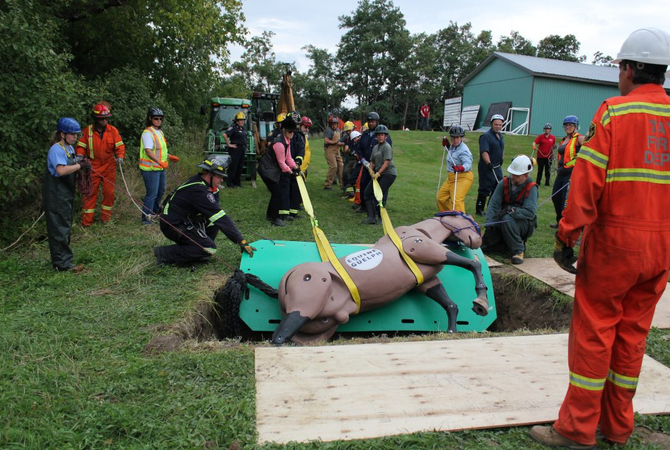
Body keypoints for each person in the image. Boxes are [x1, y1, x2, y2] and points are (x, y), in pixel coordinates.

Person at [530, 27, 670, 450]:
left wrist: (565, 236)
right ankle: (617, 427)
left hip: (615, 246)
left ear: (628, 69)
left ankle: (576, 430)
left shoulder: (614, 112)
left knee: (595, 334)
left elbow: (587, 182)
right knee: (631, 337)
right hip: (660, 248)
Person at [153, 155, 255, 266]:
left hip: (184, 220)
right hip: (173, 225)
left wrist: (215, 191)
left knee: (213, 223)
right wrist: (241, 241)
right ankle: (164, 254)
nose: (222, 180)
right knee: (209, 248)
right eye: (220, 176)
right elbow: (220, 217)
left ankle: (197, 251)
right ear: (210, 174)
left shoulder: (205, 185)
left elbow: (216, 213)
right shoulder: (199, 190)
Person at [43, 118, 91, 272]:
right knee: (59, 228)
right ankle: (61, 264)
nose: (75, 137)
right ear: (62, 134)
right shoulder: (56, 149)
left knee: (65, 226)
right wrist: (79, 165)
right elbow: (61, 170)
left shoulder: (69, 148)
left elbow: (71, 162)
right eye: (72, 135)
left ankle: (65, 260)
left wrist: (81, 161)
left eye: (76, 135)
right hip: (56, 194)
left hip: (66, 194)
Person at [480, 155, 537, 265]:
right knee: (487, 244)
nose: (513, 177)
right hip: (503, 219)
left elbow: (530, 212)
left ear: (525, 175)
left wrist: (513, 211)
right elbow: (493, 204)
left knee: (507, 219)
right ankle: (504, 244)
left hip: (524, 224)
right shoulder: (504, 183)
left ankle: (518, 250)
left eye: (516, 175)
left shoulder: (532, 188)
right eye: (512, 173)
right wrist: (490, 223)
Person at [75, 102, 125, 226]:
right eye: (102, 119)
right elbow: (81, 145)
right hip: (93, 166)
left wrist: (120, 157)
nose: (105, 121)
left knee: (109, 193)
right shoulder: (87, 131)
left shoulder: (113, 131)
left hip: (109, 166)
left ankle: (106, 220)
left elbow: (119, 146)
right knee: (90, 193)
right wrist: (80, 155)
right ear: (96, 119)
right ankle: (87, 222)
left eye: (106, 118)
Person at [258, 113, 300, 226]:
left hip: (272, 170)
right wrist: (291, 172)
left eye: (293, 132)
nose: (292, 134)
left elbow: (289, 157)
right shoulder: (279, 144)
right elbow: (282, 162)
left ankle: (270, 215)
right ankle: (275, 218)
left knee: (275, 192)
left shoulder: (287, 141)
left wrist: (296, 167)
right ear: (284, 130)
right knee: (277, 193)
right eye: (290, 132)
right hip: (267, 170)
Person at [139, 108, 179, 225]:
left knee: (160, 191)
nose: (158, 120)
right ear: (150, 119)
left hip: (160, 168)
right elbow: (148, 151)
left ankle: (155, 213)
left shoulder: (160, 132)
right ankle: (146, 219)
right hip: (150, 169)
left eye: (160, 118)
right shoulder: (147, 133)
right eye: (156, 118)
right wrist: (159, 162)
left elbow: (161, 151)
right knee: (152, 193)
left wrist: (169, 156)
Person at [549, 115, 585, 228]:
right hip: (561, 172)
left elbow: (590, 150)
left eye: (571, 125)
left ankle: (570, 224)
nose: (568, 127)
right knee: (556, 196)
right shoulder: (564, 140)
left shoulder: (579, 138)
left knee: (567, 200)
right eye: (566, 125)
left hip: (572, 173)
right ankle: (560, 221)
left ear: (575, 127)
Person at [358, 112, 393, 213]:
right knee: (363, 184)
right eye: (369, 122)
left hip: (379, 166)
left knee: (380, 188)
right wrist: (363, 160)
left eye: (372, 122)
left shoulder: (384, 134)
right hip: (367, 165)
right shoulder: (365, 134)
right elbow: (359, 148)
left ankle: (380, 208)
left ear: (377, 122)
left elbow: (387, 151)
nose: (370, 124)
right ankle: (364, 206)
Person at [362, 125, 397, 224]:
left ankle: (382, 218)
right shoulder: (375, 147)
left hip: (389, 174)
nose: (381, 136)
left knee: (379, 195)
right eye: (379, 135)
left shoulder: (387, 147)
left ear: (386, 136)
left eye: (382, 135)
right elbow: (372, 161)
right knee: (367, 193)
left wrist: (378, 173)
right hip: (378, 173)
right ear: (376, 136)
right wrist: (370, 170)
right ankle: (371, 217)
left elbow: (386, 163)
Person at [437, 126, 474, 213]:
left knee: (456, 200)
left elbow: (468, 164)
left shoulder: (464, 150)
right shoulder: (453, 147)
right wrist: (448, 146)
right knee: (440, 198)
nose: (455, 140)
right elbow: (453, 155)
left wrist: (461, 168)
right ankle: (449, 216)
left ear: (461, 137)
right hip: (451, 177)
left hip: (463, 177)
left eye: (457, 137)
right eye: (453, 137)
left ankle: (462, 222)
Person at [476, 114, 505, 216]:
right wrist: (488, 163)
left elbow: (502, 149)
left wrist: (502, 159)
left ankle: (491, 207)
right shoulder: (486, 136)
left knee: (498, 187)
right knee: (485, 188)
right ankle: (479, 209)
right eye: (496, 124)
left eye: (500, 125)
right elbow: (484, 151)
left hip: (497, 167)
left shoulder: (500, 136)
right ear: (491, 124)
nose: (498, 126)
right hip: (487, 167)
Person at [223, 111, 247, 188]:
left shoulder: (243, 129)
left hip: (242, 149)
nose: (242, 121)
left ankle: (237, 182)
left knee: (240, 167)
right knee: (234, 166)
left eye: (243, 120)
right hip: (235, 150)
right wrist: (229, 144)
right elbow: (224, 134)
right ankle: (230, 183)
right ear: (237, 121)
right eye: (240, 120)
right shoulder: (233, 128)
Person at [532, 123, 556, 187]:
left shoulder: (553, 138)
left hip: (549, 157)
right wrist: (534, 146)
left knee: (547, 171)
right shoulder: (540, 137)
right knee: (540, 170)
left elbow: (553, 145)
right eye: (545, 129)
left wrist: (554, 150)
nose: (546, 130)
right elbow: (534, 142)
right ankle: (538, 182)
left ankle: (547, 183)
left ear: (550, 130)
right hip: (540, 157)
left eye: (548, 129)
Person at [323, 115, 343, 190]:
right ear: (330, 124)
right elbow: (326, 140)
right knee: (333, 166)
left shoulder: (338, 130)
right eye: (333, 124)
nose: (334, 125)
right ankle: (327, 184)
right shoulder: (328, 131)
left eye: (335, 124)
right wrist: (335, 142)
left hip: (337, 150)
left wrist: (341, 143)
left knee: (341, 166)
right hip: (330, 151)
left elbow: (339, 141)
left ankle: (342, 184)